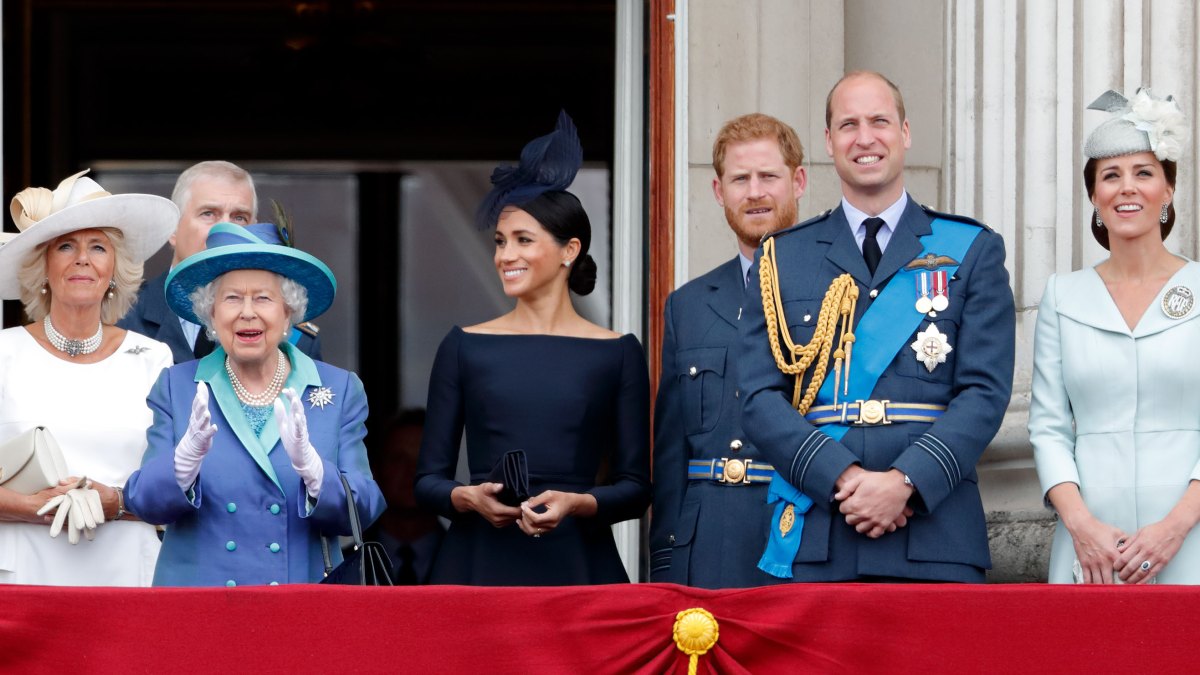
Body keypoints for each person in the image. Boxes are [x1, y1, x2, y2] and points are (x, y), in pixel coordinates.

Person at [738, 71, 1015, 583]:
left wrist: (906, 481)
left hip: (934, 532)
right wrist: (841, 476)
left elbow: (985, 392)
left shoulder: (971, 249)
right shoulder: (782, 256)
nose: (864, 138)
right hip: (821, 529)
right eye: (848, 125)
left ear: (905, 133)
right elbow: (757, 397)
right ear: (828, 142)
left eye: (879, 122)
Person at [414, 111, 651, 585]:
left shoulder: (618, 352)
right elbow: (427, 482)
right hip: (475, 565)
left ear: (569, 250)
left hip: (578, 566)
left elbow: (636, 488)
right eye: (501, 241)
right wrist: (468, 498)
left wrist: (578, 503)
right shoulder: (464, 346)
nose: (505, 255)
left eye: (524, 240)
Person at [124, 222, 384, 586]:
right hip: (201, 608)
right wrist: (181, 467)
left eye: (263, 297)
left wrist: (316, 473)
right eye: (232, 298)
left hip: (299, 608)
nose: (247, 312)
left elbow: (366, 507)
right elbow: (143, 502)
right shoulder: (178, 387)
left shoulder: (337, 389)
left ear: (288, 312)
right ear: (210, 314)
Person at [1030, 88, 1200, 585]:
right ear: (1094, 197)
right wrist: (1082, 526)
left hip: (1190, 538)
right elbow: (1048, 427)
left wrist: (1176, 525)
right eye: (1111, 175)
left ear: (1168, 190)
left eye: (1143, 173)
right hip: (1091, 548)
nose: (1127, 188)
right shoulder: (1063, 296)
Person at [649, 113, 806, 587]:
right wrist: (664, 566)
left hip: (805, 534)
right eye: (740, 179)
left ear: (797, 181)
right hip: (709, 543)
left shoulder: (840, 291)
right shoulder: (688, 305)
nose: (754, 192)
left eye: (768, 176)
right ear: (719, 191)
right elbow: (671, 454)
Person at [0, 169, 177, 585]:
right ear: (43, 265)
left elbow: (178, 487)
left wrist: (113, 503)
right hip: (25, 573)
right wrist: (33, 506)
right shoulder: (3, 352)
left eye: (98, 247)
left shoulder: (153, 358)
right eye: (66, 246)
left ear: (114, 269)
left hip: (126, 574)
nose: (82, 258)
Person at [118, 160, 321, 364]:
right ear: (173, 228)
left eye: (239, 217)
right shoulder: (122, 316)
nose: (225, 230)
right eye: (208, 214)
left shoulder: (293, 335)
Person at [364, 409, 445, 585]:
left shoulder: (469, 563)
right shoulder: (346, 564)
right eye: (398, 459)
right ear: (375, 468)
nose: (412, 471)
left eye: (423, 461)